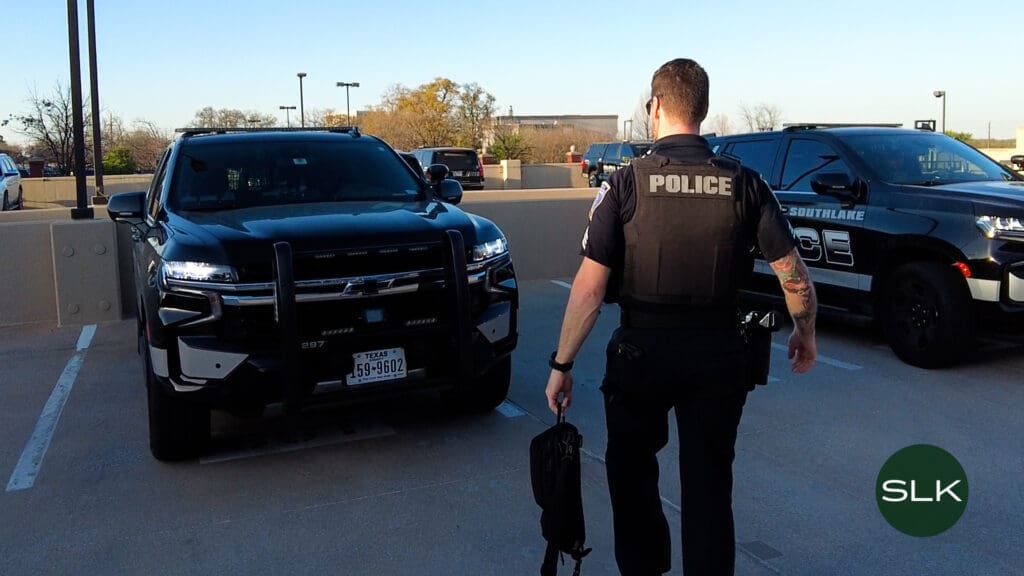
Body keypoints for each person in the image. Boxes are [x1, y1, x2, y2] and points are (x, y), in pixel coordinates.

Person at [544, 58, 818, 576]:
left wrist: (562, 364)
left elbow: (588, 288)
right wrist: (805, 333)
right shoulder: (746, 184)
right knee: (710, 487)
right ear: (704, 109)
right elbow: (793, 275)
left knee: (632, 480)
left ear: (657, 107)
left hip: (640, 356)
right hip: (718, 357)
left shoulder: (624, 184)